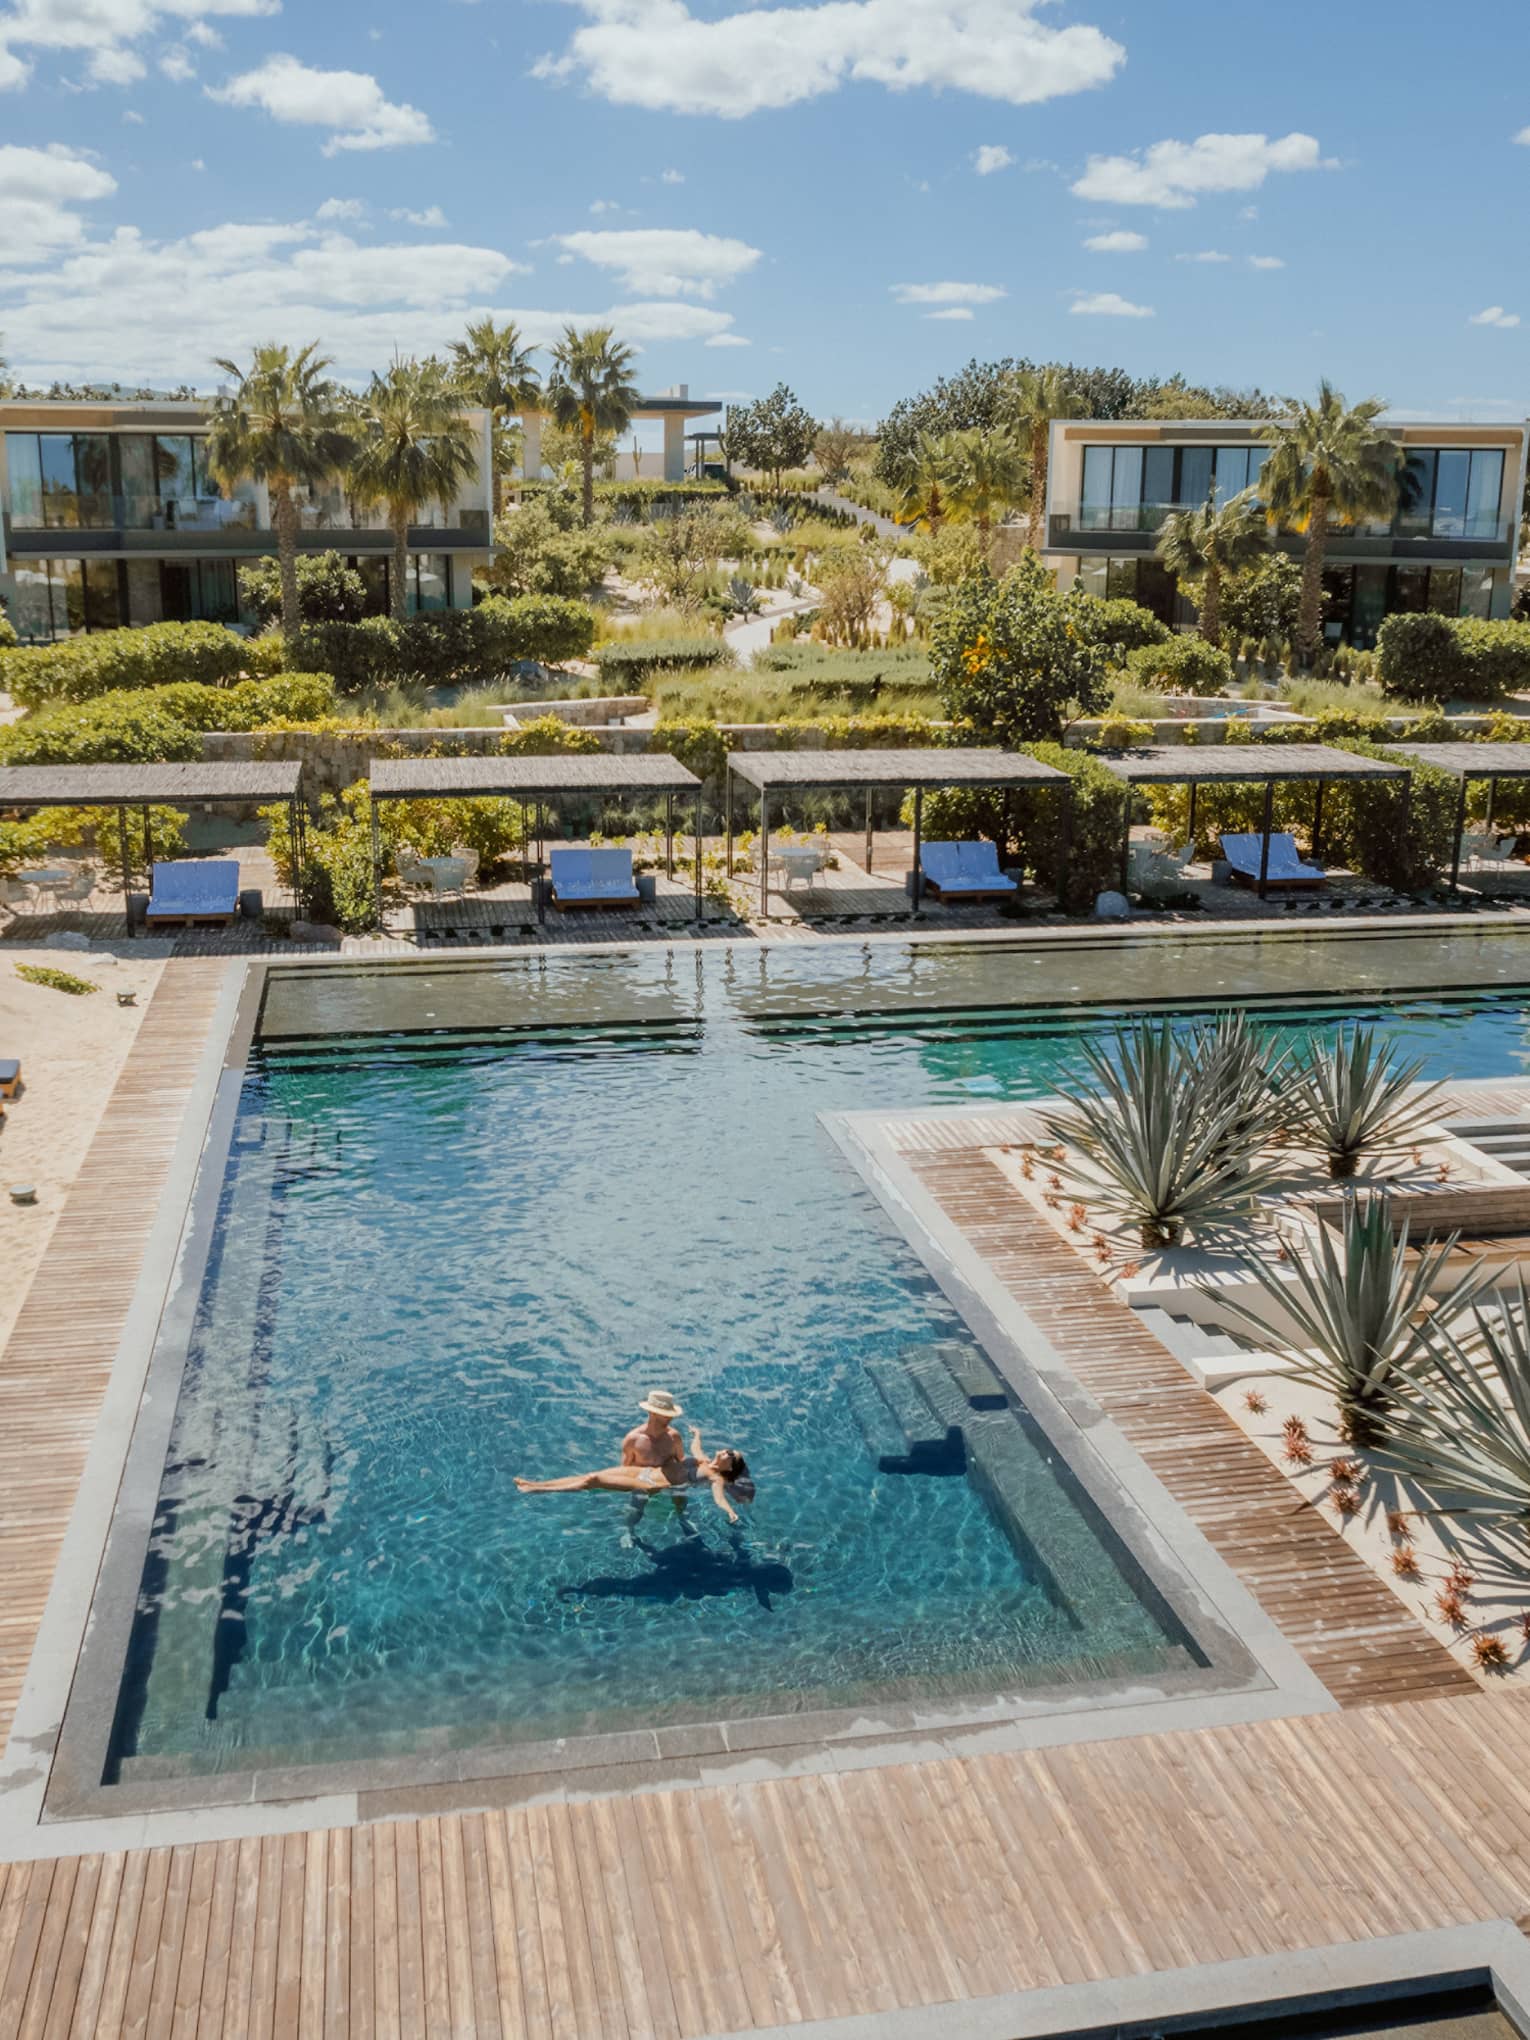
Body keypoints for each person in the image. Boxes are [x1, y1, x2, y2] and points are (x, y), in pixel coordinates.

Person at [515, 1423, 754, 1524]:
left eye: (730, 1453)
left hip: (652, 1484)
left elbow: (718, 1497)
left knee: (592, 1480)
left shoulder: (715, 1477)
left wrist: (730, 1511)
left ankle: (536, 1490)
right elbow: (695, 1448)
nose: (725, 1450)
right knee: (591, 1474)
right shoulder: (702, 1460)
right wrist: (697, 1434)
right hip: (646, 1472)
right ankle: (537, 1483)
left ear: (729, 1466)